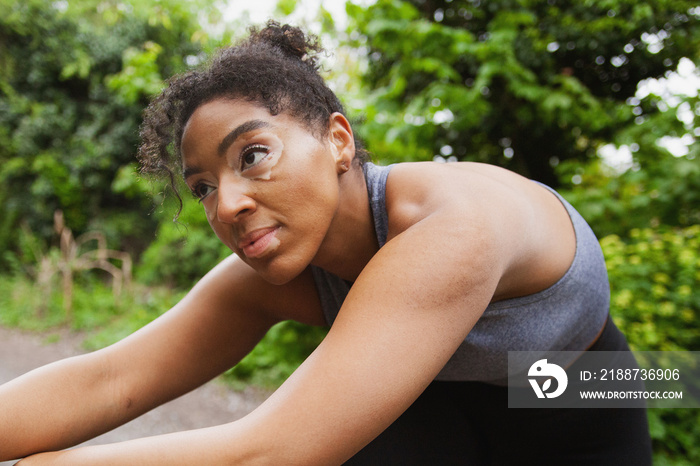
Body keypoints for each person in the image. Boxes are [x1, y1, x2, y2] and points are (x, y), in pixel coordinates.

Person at [0, 21, 652, 465]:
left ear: (338, 140)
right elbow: (111, 380)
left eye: (253, 154)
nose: (226, 204)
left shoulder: (452, 228)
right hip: (438, 401)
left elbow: (273, 450)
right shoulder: (275, 268)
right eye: (201, 187)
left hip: (577, 389)